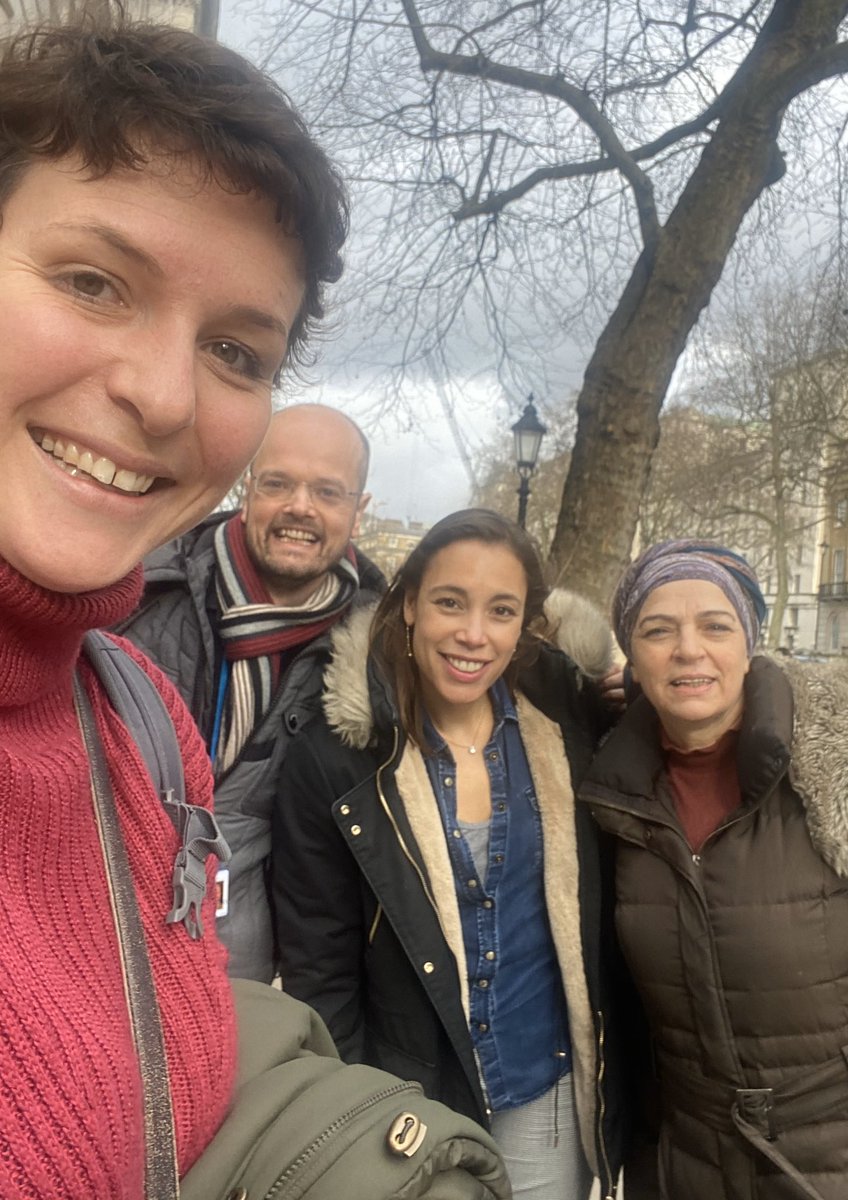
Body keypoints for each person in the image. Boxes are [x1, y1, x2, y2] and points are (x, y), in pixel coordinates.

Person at [0, 11, 347, 1193]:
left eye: (236, 354)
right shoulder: (158, 620)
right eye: (93, 283)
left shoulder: (137, 716)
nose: (161, 397)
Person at [273, 508, 638, 1200]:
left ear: (526, 624)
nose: (474, 634)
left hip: (545, 1102)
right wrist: (352, 1119)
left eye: (501, 611)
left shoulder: (567, 727)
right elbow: (321, 973)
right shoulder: (335, 761)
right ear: (410, 604)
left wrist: (640, 693)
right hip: (410, 1107)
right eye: (450, 602)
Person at [579, 538, 848, 1200]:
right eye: (657, 630)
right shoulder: (610, 796)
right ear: (631, 657)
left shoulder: (831, 774)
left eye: (716, 626)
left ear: (749, 645)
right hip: (689, 1160)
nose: (688, 649)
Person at [119, 402, 383, 982]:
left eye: (328, 492)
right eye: (278, 483)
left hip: (244, 967)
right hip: (95, 929)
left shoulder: (380, 653)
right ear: (248, 488)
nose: (300, 507)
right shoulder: (135, 588)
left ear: (359, 511)